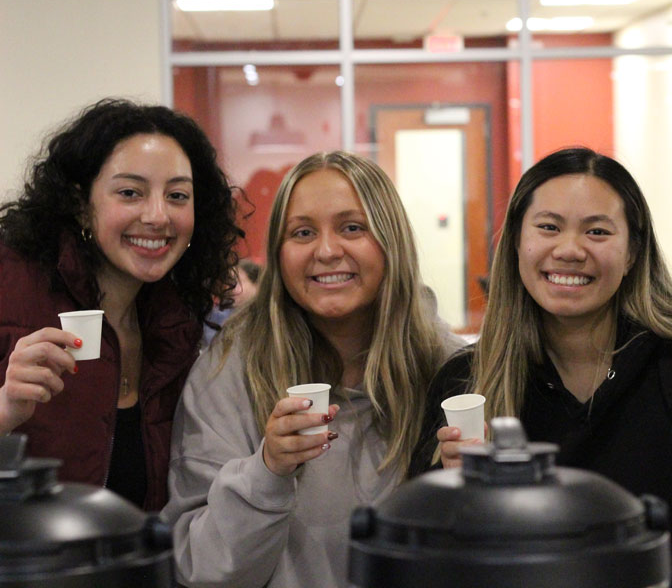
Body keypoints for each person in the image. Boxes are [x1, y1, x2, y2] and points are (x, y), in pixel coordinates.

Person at [411, 147, 672, 578]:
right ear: (517, 242)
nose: (570, 250)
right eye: (549, 227)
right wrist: (451, 492)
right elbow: (421, 558)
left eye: (596, 232)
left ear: (633, 252)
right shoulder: (467, 383)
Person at [162, 151, 463, 587]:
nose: (326, 251)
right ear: (279, 255)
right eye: (302, 232)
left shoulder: (447, 371)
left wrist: (478, 491)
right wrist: (268, 470)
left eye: (352, 228)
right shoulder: (230, 370)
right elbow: (202, 571)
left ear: (391, 241)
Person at [0, 98, 240, 510]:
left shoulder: (178, 322)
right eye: (130, 192)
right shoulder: (11, 284)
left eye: (178, 195)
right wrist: (4, 411)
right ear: (80, 204)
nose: (157, 216)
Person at [201, 258, 262, 349]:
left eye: (235, 282)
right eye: (228, 283)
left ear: (256, 284)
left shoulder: (267, 315)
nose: (228, 289)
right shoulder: (219, 315)